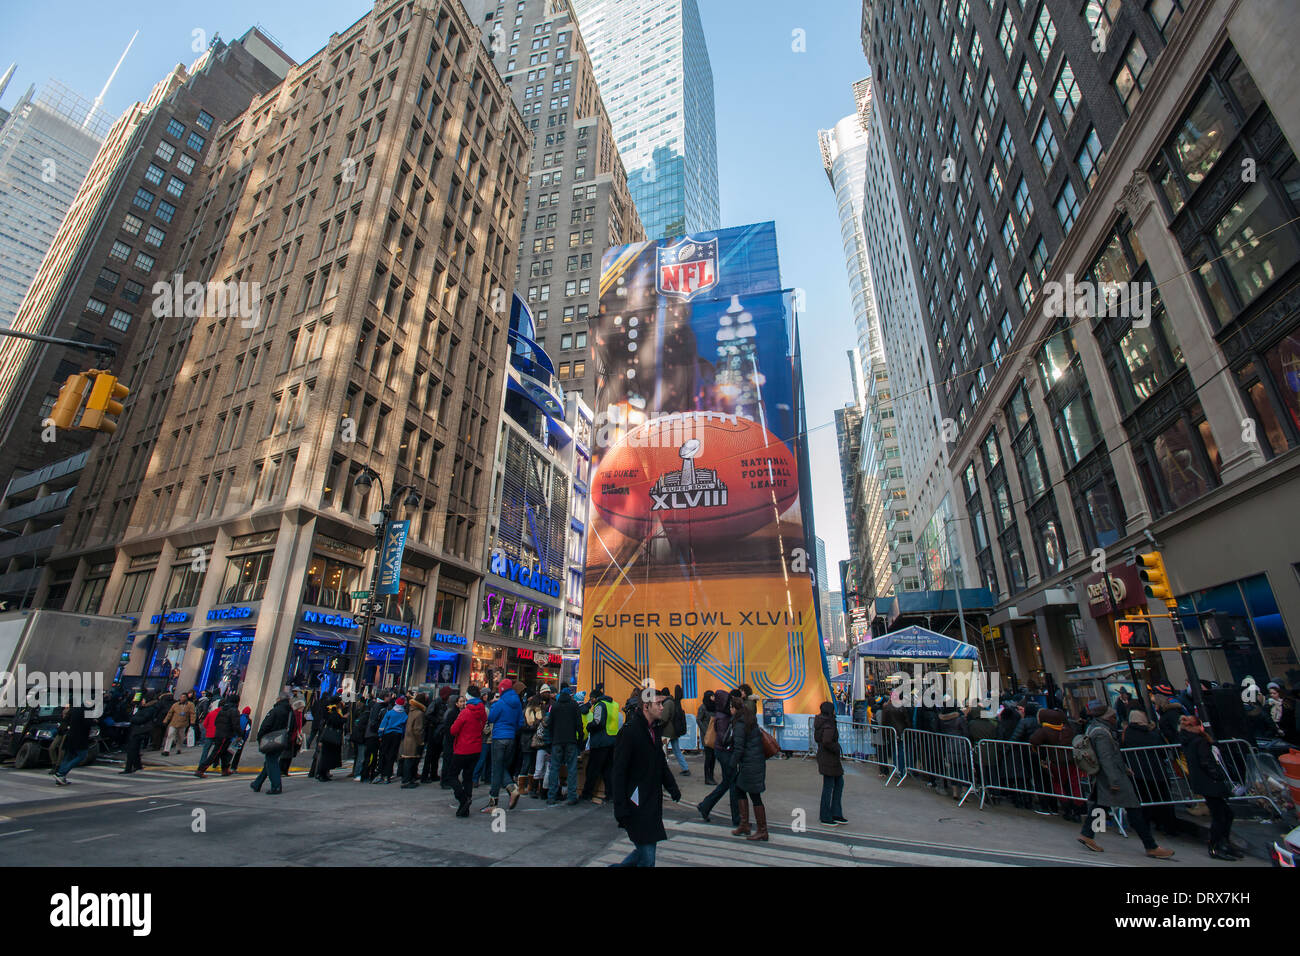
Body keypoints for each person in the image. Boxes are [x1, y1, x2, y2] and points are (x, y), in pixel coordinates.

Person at [1076, 702, 1173, 859]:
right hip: (1113, 776)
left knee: (1101, 804)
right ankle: (1150, 845)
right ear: (1106, 717)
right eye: (1113, 716)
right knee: (1133, 809)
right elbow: (1106, 757)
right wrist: (1114, 780)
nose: (1116, 719)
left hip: (1109, 774)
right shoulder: (1101, 732)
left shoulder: (1096, 728)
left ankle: (1088, 834)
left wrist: (1125, 768)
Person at [609, 687, 681, 867]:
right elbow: (618, 772)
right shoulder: (629, 732)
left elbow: (660, 763)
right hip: (636, 804)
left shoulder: (654, 730)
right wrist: (620, 807)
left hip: (652, 802)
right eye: (658, 704)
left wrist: (672, 787)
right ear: (646, 707)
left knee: (643, 854)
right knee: (647, 858)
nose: (662, 707)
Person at [1178, 714, 1242, 860]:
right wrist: (1217, 775)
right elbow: (1206, 762)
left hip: (1203, 782)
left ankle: (1222, 843)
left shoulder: (1189, 740)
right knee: (1221, 815)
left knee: (1225, 814)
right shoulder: (1199, 741)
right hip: (1209, 783)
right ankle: (1216, 846)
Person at [1121, 710, 1180, 837]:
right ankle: (1168, 827)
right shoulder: (1153, 733)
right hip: (1157, 770)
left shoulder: (1128, 733)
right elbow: (1163, 751)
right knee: (1163, 800)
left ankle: (1143, 826)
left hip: (1137, 772)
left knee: (1143, 800)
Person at [696, 688, 739, 825]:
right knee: (732, 783)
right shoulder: (722, 717)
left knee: (727, 783)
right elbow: (724, 737)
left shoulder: (721, 715)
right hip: (725, 752)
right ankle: (737, 818)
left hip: (723, 752)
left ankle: (705, 806)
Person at [729, 693, 769, 841]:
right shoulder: (750, 718)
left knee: (754, 795)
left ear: (734, 708)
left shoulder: (740, 723)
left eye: (731, 708)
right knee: (740, 790)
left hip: (750, 763)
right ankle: (745, 824)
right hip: (755, 761)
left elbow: (739, 747)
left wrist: (732, 764)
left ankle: (762, 830)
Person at [486, 677, 524, 811]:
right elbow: (520, 722)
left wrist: (494, 704)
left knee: (497, 768)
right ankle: (505, 792)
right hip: (511, 738)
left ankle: (501, 796)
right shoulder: (518, 703)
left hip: (499, 737)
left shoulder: (500, 703)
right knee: (501, 767)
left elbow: (490, 718)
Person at [449, 687, 488, 817]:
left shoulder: (465, 712)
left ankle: (462, 798)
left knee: (452, 775)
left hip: (463, 748)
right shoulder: (482, 712)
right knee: (468, 776)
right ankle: (465, 805)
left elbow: (453, 730)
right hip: (476, 748)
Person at [579, 684, 619, 803]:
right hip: (612, 740)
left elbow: (597, 722)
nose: (591, 701)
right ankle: (610, 794)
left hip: (600, 741)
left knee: (593, 769)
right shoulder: (613, 704)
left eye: (591, 699)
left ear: (595, 698)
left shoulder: (599, 705)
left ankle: (587, 793)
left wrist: (589, 726)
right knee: (608, 769)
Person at [545, 683, 582, 805]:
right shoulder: (574, 705)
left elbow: (549, 725)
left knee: (554, 768)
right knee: (571, 769)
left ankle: (551, 796)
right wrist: (579, 740)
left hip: (557, 741)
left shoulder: (555, 706)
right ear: (570, 694)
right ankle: (571, 796)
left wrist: (549, 741)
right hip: (571, 740)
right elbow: (579, 724)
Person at [250, 692, 292, 794]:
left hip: (272, 739)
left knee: (271, 762)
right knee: (269, 762)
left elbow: (266, 725)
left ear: (279, 699)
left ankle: (276, 786)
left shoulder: (276, 711)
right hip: (282, 739)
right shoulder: (290, 712)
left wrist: (260, 737)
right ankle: (257, 783)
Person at [815, 701, 846, 825]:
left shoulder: (821, 722)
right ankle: (826, 815)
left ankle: (835, 813)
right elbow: (827, 741)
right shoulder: (829, 724)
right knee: (830, 786)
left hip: (826, 757)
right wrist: (836, 747)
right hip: (829, 758)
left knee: (837, 783)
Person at [197, 695, 240, 777]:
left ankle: (225, 769)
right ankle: (201, 769)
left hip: (220, 733)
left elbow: (217, 722)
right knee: (216, 753)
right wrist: (239, 734)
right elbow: (236, 725)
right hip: (226, 734)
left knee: (224, 753)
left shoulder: (223, 709)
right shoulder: (234, 711)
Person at [53, 703, 93, 785]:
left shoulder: (74, 709)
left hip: (70, 735)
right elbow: (87, 723)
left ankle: (60, 776)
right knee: (82, 755)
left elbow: (66, 720)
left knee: (68, 756)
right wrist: (94, 721)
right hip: (80, 737)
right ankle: (61, 773)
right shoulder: (86, 710)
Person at [421, 686, 453, 782]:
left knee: (436, 754)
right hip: (433, 731)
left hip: (439, 731)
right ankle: (425, 775)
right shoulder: (437, 702)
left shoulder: (444, 703)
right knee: (430, 755)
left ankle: (433, 774)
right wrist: (438, 721)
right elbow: (428, 714)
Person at [122, 695, 159, 774]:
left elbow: (143, 719)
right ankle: (137, 766)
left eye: (143, 700)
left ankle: (128, 768)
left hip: (139, 731)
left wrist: (132, 719)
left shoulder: (149, 709)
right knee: (134, 750)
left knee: (132, 749)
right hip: (137, 730)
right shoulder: (144, 708)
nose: (142, 701)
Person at [658, 684, 690, 776]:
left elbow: (664, 717)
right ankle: (685, 768)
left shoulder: (667, 703)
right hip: (674, 731)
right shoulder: (673, 701)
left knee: (663, 751)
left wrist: (659, 724)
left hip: (667, 731)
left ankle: (663, 770)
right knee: (676, 750)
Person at [375, 696, 407, 783]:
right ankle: (388, 775)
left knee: (383, 754)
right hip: (397, 735)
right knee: (392, 755)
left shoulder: (390, 713)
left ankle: (380, 773)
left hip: (387, 734)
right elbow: (404, 728)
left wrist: (380, 734)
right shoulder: (404, 715)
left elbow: (383, 723)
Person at [399, 693, 428, 788]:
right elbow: (418, 729)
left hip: (407, 739)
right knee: (410, 761)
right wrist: (421, 741)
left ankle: (406, 779)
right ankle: (407, 780)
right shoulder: (419, 713)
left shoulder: (411, 710)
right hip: (413, 741)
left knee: (408, 760)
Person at [314, 696, 346, 781]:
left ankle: (324, 773)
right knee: (326, 757)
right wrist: (344, 719)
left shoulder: (334, 710)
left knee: (327, 756)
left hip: (329, 737)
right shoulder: (332, 710)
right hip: (330, 737)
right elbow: (335, 721)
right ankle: (322, 774)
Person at [436, 690, 461, 790]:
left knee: (449, 761)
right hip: (449, 740)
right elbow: (449, 728)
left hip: (450, 740)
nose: (462, 704)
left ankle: (447, 779)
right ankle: (445, 780)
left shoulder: (450, 711)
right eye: (460, 701)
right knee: (447, 761)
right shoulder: (451, 713)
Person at [161, 692, 195, 756]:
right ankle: (166, 750)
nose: (182, 698)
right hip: (174, 723)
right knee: (170, 735)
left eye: (184, 697)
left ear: (186, 698)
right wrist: (165, 720)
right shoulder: (175, 705)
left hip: (183, 723)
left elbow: (192, 714)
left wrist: (192, 722)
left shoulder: (190, 705)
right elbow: (170, 713)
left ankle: (178, 748)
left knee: (180, 737)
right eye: (181, 697)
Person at [281, 696, 306, 779]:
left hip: (295, 736)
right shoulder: (293, 714)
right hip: (290, 736)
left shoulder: (300, 715)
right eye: (302, 707)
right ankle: (282, 770)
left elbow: (301, 724)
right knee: (286, 754)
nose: (303, 709)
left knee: (290, 754)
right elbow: (292, 725)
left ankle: (285, 770)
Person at [349, 693, 371, 780]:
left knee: (357, 756)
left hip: (356, 737)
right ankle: (357, 773)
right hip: (361, 738)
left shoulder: (358, 713)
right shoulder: (365, 715)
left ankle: (355, 772)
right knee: (361, 757)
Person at [697, 690, 716, 785]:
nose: (714, 698)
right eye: (712, 696)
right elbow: (698, 719)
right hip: (707, 735)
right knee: (708, 756)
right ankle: (707, 777)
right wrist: (705, 730)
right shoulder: (703, 707)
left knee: (713, 757)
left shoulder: (714, 707)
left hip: (714, 734)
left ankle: (711, 775)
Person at [229, 705, 253, 772]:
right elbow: (247, 730)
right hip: (241, 738)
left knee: (231, 751)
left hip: (234, 737)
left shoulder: (238, 717)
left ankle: (226, 765)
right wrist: (244, 739)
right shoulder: (248, 720)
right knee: (238, 753)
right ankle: (233, 767)